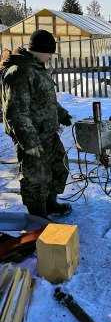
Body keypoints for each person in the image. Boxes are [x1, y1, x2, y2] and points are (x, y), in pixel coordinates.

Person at [0, 30, 72, 217]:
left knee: (59, 166)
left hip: (47, 132)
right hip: (32, 136)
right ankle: (38, 217)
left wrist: (61, 114)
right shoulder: (20, 72)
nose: (50, 57)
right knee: (36, 177)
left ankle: (50, 203)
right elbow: (16, 112)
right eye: (50, 52)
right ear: (40, 50)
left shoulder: (37, 68)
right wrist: (29, 142)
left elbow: (46, 99)